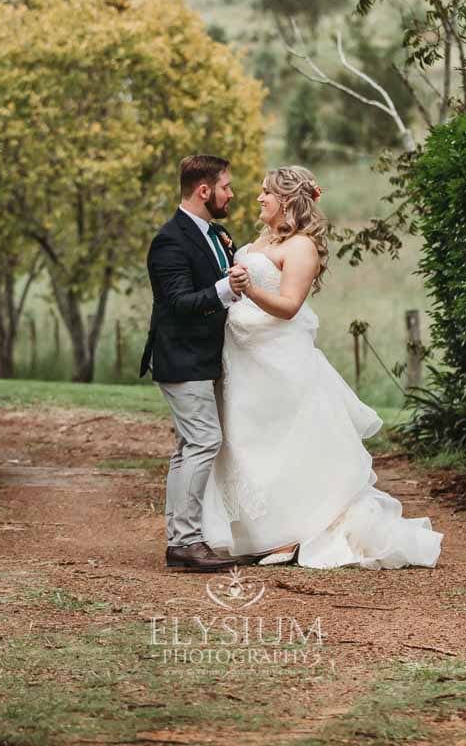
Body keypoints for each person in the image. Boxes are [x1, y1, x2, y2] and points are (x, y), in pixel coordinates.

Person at [200, 165, 443, 569]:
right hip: (242, 357)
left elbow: (289, 306)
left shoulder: (301, 247)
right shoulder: (262, 239)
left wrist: (248, 288)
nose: (258, 198)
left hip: (278, 358)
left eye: (266, 193)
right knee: (247, 442)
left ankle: (295, 533)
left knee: (286, 444)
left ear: (287, 201)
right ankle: (260, 533)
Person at [140, 154, 250, 573]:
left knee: (189, 448)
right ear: (204, 191)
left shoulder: (216, 235)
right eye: (226, 186)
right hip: (180, 358)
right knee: (204, 441)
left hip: (206, 358)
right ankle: (185, 541)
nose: (231, 194)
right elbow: (178, 303)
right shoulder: (170, 240)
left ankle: (179, 539)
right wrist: (225, 288)